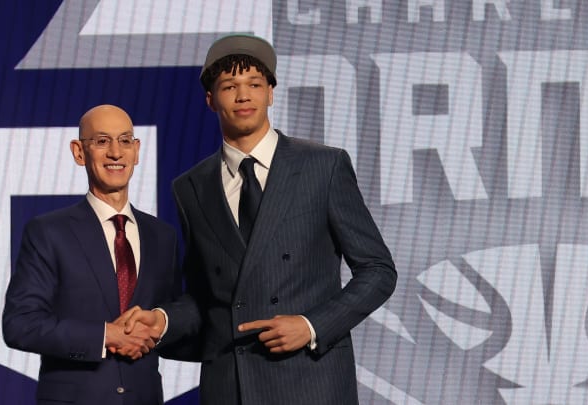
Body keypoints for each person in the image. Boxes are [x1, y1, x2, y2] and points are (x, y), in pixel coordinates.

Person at [126, 34, 397, 405]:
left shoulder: (323, 166)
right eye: (229, 86)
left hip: (311, 380)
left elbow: (378, 269)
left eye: (255, 84)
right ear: (210, 100)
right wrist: (163, 320)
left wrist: (312, 325)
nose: (243, 95)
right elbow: (207, 295)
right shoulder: (191, 187)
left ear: (270, 92)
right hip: (230, 386)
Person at [3, 104, 177, 405]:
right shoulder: (48, 232)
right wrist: (105, 336)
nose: (115, 152)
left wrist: (160, 323)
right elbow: (20, 324)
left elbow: (183, 317)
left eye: (124, 141)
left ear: (136, 151)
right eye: (101, 141)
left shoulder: (162, 236)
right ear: (79, 152)